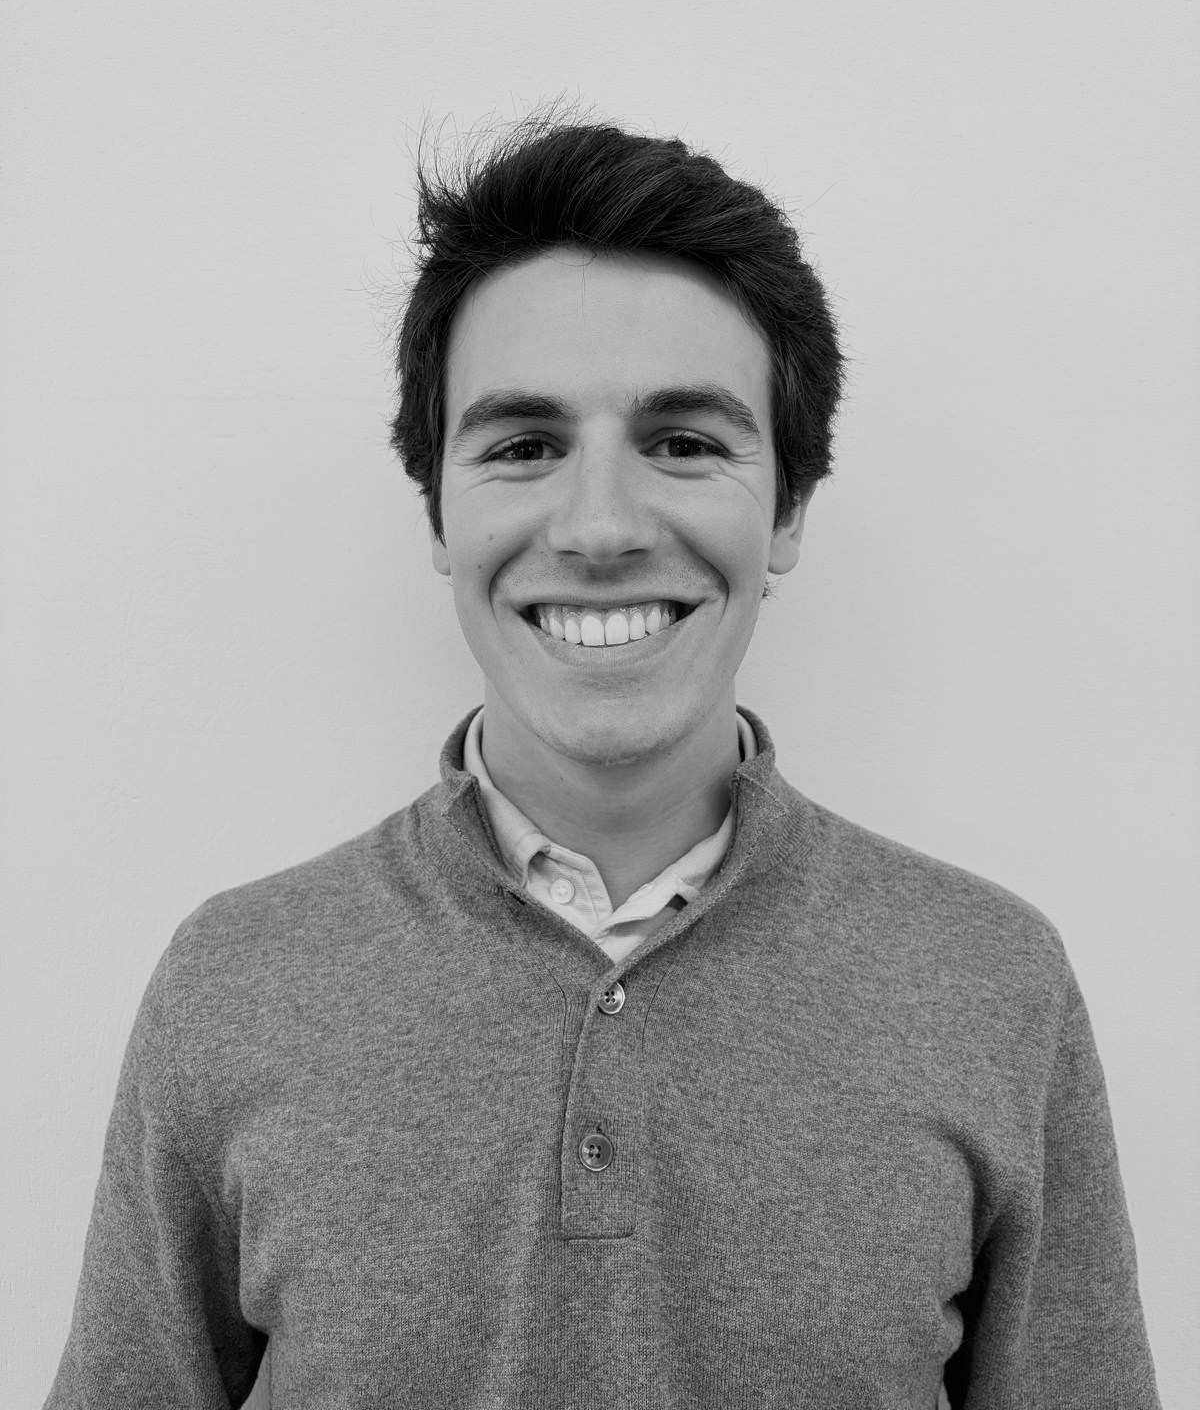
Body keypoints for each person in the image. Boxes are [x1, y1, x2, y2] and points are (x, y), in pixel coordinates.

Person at [45, 115, 1161, 1408]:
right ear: (440, 513)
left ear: (789, 506)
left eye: (684, 442)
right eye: (525, 446)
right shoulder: (232, 984)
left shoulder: (991, 985)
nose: (600, 528)